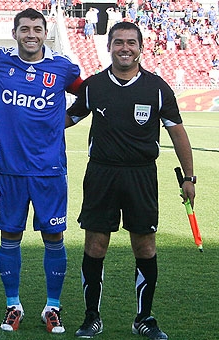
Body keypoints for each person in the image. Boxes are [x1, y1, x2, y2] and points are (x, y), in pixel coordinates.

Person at [66, 22, 195, 340]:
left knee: (145, 245)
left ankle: (144, 318)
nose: (125, 48)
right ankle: (91, 317)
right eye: (119, 42)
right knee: (95, 245)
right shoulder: (94, 85)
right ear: (109, 46)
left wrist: (189, 177)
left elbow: (177, 132)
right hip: (101, 173)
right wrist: (25, 124)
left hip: (141, 175)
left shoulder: (157, 88)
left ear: (141, 47)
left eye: (131, 43)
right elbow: (68, 119)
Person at [0, 8, 82, 333]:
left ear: (44, 33)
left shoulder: (62, 68)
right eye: (24, 29)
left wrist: (68, 120)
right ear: (15, 33)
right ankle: (14, 305)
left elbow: (91, 94)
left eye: (37, 29)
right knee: (10, 235)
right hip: (10, 171)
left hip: (49, 171)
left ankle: (52, 307)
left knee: (54, 235)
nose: (31, 35)